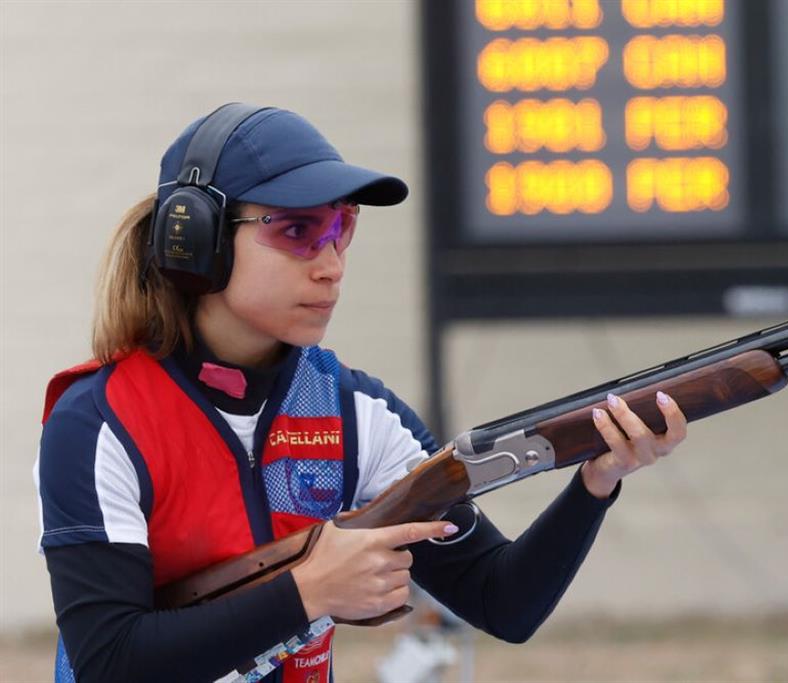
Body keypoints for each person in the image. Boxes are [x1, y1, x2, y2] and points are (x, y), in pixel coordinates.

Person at [34, 104, 688, 683]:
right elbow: (110, 660)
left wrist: (596, 482)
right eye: (296, 231)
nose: (331, 263)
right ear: (196, 240)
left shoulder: (354, 413)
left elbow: (502, 601)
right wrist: (311, 589)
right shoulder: (100, 423)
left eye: (341, 228)